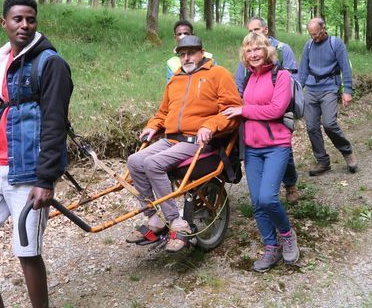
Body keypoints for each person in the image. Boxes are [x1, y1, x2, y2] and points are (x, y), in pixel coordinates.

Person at [0, 0, 73, 308]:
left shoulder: (52, 63)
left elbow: (54, 123)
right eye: (18, 19)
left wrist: (46, 179)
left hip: (30, 172)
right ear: (3, 22)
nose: (24, 25)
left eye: (30, 19)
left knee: (28, 253)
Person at [126, 35, 241, 252]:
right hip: (170, 139)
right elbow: (162, 113)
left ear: (202, 52)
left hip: (198, 141)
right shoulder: (175, 79)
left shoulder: (218, 74)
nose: (186, 58)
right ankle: (154, 217)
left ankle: (176, 222)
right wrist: (152, 125)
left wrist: (210, 125)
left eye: (190, 53)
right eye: (182, 54)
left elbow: (232, 111)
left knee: (153, 164)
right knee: (134, 161)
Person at [223, 33, 300, 272]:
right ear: (244, 55)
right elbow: (241, 110)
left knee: (268, 197)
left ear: (267, 50)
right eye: (249, 50)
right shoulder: (248, 79)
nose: (253, 54)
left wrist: (243, 110)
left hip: (276, 145)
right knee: (257, 202)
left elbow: (276, 110)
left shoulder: (282, 75)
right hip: (253, 149)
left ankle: (287, 235)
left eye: (258, 49)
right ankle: (271, 246)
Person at [235, 16, 300, 203]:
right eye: (249, 30)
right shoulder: (249, 53)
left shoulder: (282, 49)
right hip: (252, 106)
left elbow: (294, 77)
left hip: (281, 106)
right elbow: (240, 80)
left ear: (265, 29)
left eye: (255, 29)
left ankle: (290, 184)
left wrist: (281, 99)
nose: (252, 33)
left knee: (283, 148)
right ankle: (266, 188)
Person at [297, 18, 357, 176]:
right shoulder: (308, 45)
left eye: (316, 34)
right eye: (311, 35)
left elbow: (345, 67)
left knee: (329, 123)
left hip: (329, 88)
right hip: (311, 89)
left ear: (324, 29)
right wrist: (295, 91)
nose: (314, 37)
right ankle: (323, 161)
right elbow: (302, 71)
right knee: (311, 127)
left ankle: (347, 152)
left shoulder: (336, 43)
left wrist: (347, 90)